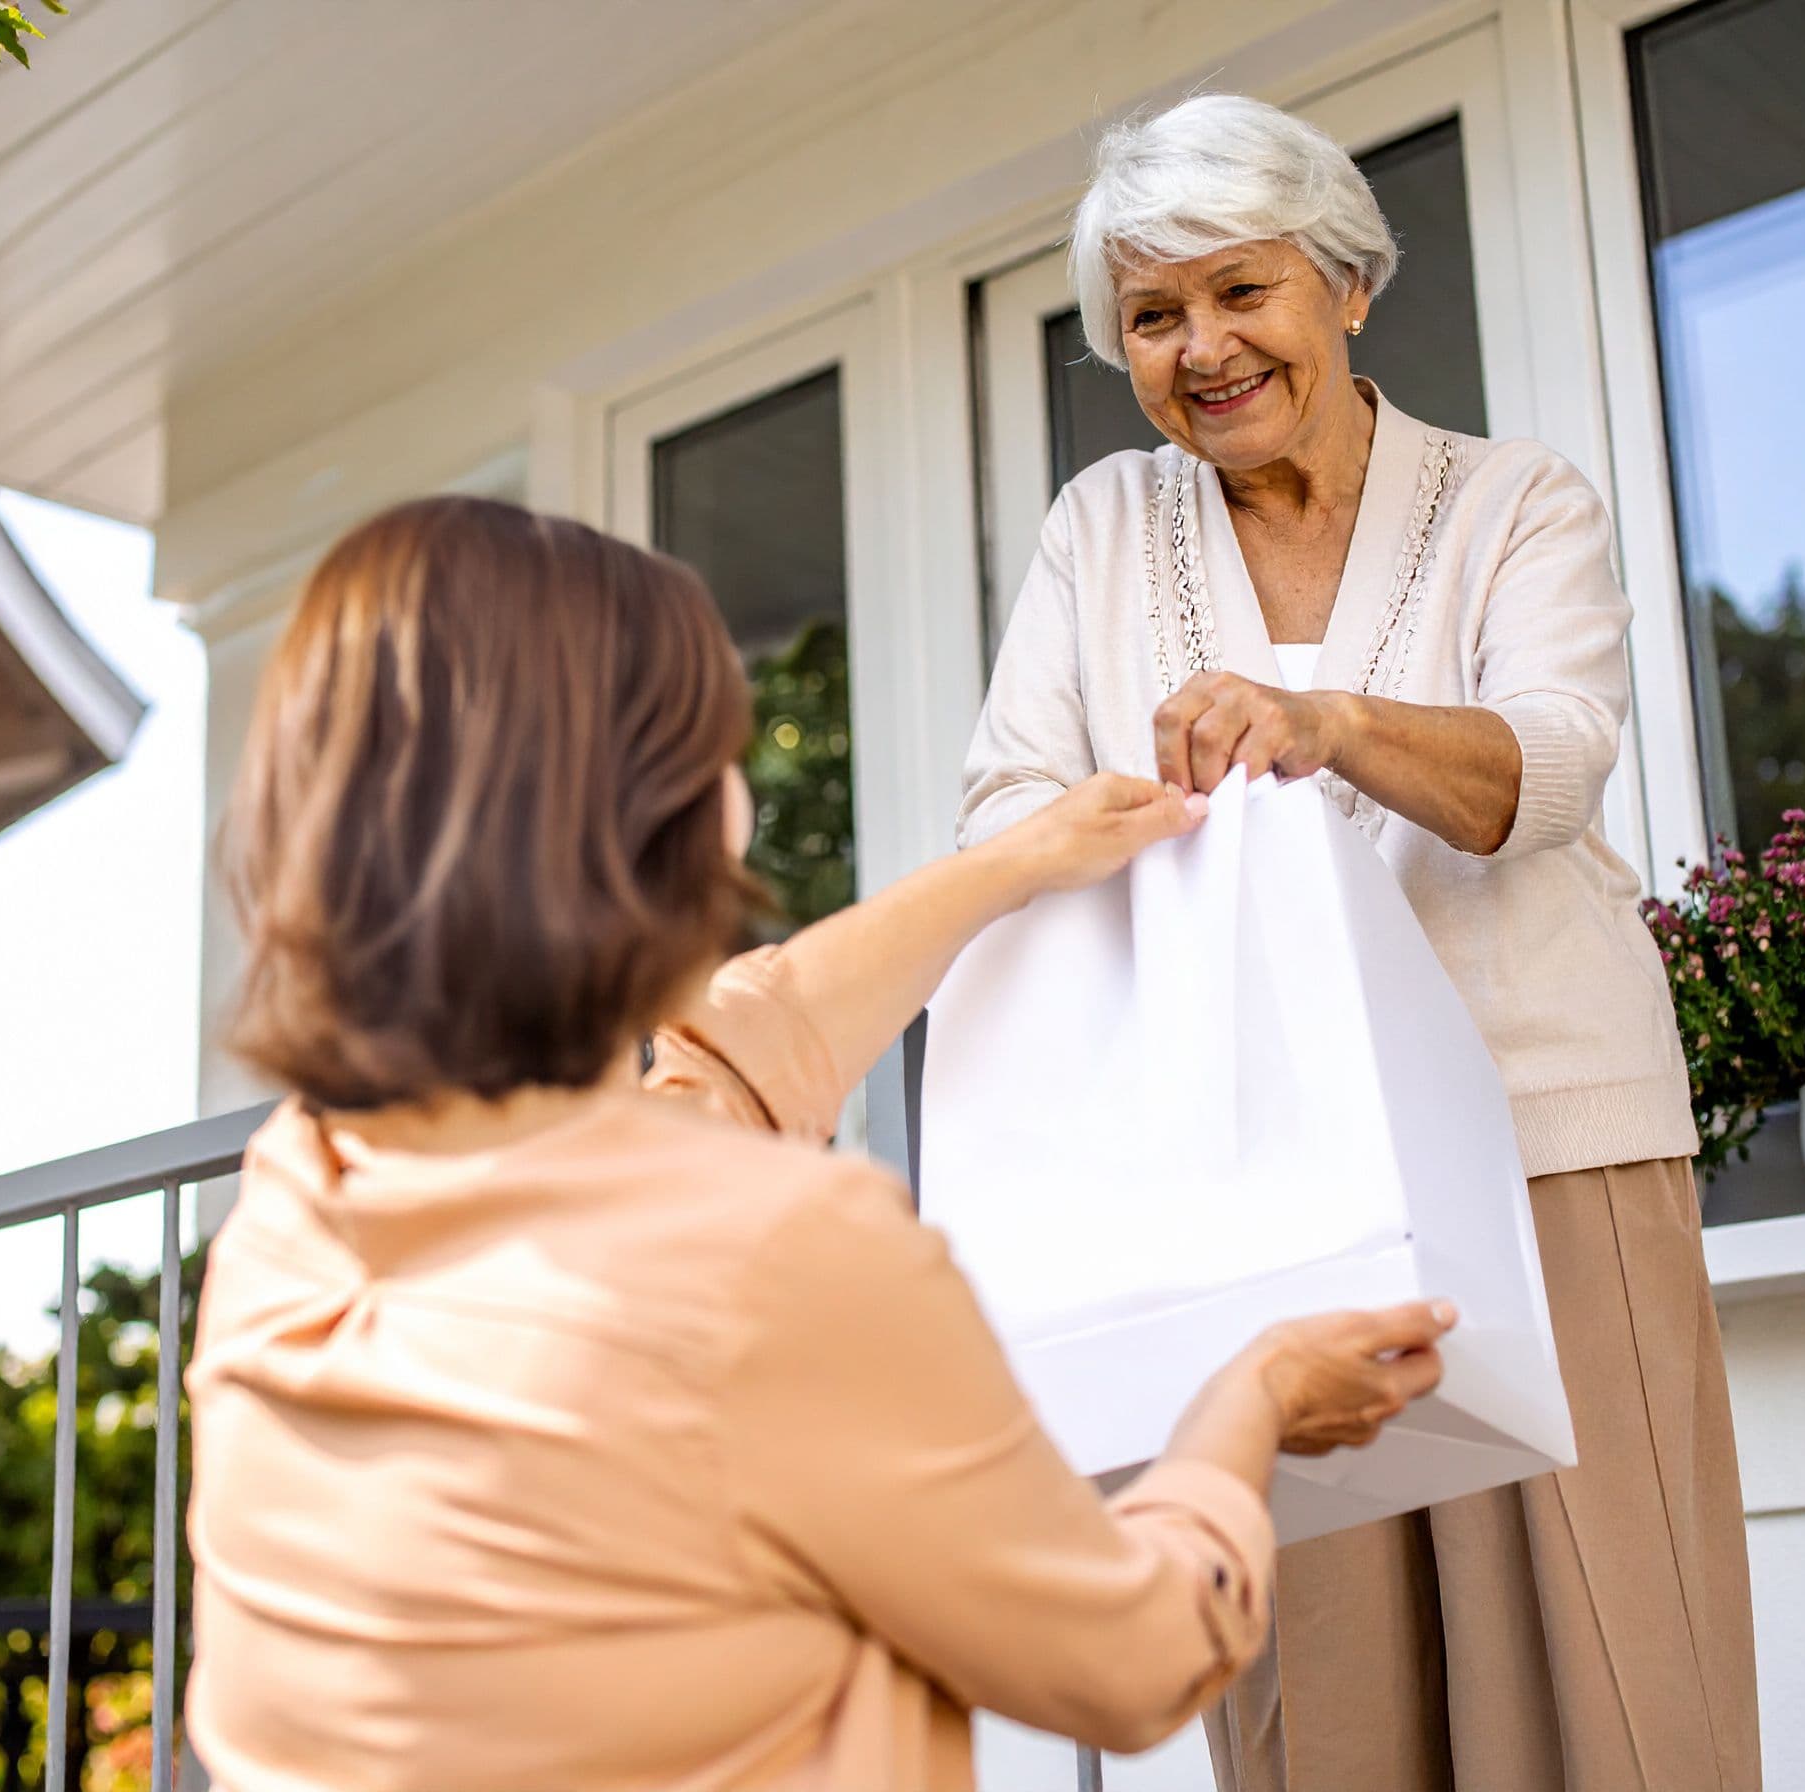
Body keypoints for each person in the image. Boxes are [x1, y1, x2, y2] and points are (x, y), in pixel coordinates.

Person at [182, 494, 1456, 1792]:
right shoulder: (779, 1259)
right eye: (710, 757)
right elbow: (1130, 1657)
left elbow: (720, 1072)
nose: (734, 805)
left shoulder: (289, 1212)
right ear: (654, 822)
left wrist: (1010, 866)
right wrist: (1253, 1402)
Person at [958, 92, 1757, 1792]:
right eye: (1152, 317)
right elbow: (1001, 815)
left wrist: (1322, 721)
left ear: (1346, 286)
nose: (1201, 349)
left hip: (1552, 1139)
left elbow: (1546, 765)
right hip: (1258, 1179)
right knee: (1329, 1708)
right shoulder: (1103, 529)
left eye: (1241, 291)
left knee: (1622, 1668)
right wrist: (1114, 820)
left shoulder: (1512, 502)